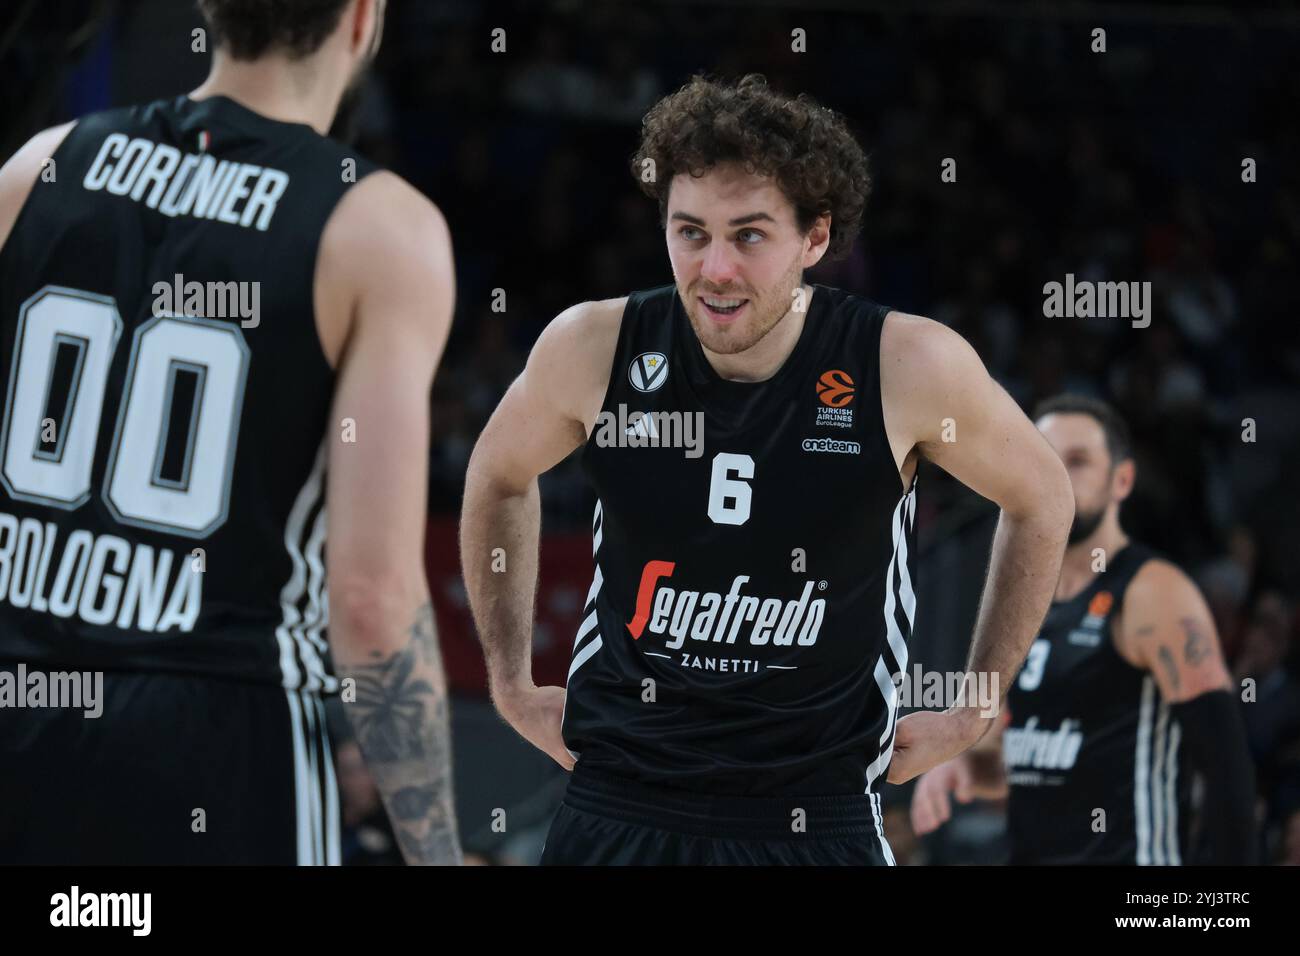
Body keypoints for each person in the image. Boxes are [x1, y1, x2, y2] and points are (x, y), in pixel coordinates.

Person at [460, 74, 1074, 865]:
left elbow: (1042, 496)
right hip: (620, 801)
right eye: (690, 232)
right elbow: (497, 476)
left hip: (815, 816)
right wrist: (508, 683)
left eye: (749, 235)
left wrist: (975, 707)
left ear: (815, 238)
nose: (714, 268)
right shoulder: (593, 347)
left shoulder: (907, 364)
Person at [0, 0, 460, 864]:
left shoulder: (39, 168)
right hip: (215, 741)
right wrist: (432, 850)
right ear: (363, 18)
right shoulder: (381, 230)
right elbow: (371, 603)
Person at [911, 394, 1257, 864]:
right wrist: (963, 766)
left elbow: (1226, 765)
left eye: (1078, 461)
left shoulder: (1152, 593)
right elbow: (1040, 758)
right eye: (1046, 458)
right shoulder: (1024, 602)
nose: (1058, 475)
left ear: (1123, 480)